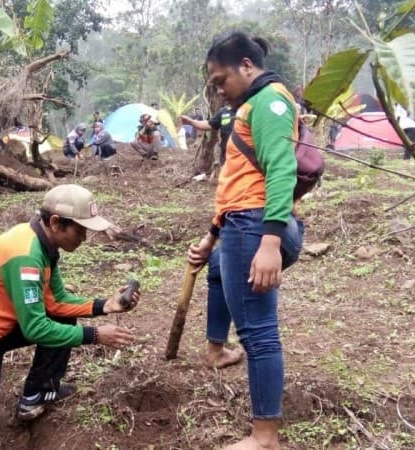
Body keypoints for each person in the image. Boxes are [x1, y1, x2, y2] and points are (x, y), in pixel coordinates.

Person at [0, 184, 139, 449]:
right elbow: (34, 327)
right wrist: (96, 335)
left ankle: (37, 393)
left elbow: (56, 302)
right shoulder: (26, 255)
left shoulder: (44, 245)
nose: (84, 238)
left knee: (61, 318)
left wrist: (106, 306)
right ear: (56, 223)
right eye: (79, 230)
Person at [186, 32, 303, 450]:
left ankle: (264, 436)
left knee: (257, 332)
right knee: (217, 269)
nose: (219, 89)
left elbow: (281, 170)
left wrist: (269, 241)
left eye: (221, 80)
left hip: (256, 226)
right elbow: (234, 184)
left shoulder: (271, 101)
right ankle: (216, 349)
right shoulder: (248, 107)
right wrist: (211, 235)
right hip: (241, 221)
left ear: (247, 66)